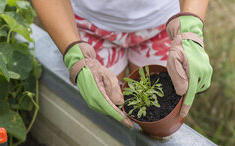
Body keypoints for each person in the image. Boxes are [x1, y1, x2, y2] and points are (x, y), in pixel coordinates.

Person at [32, 0, 213, 128]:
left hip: (164, 23)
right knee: (108, 117)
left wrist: (190, 26)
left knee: (161, 122)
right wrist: (73, 51)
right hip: (89, 24)